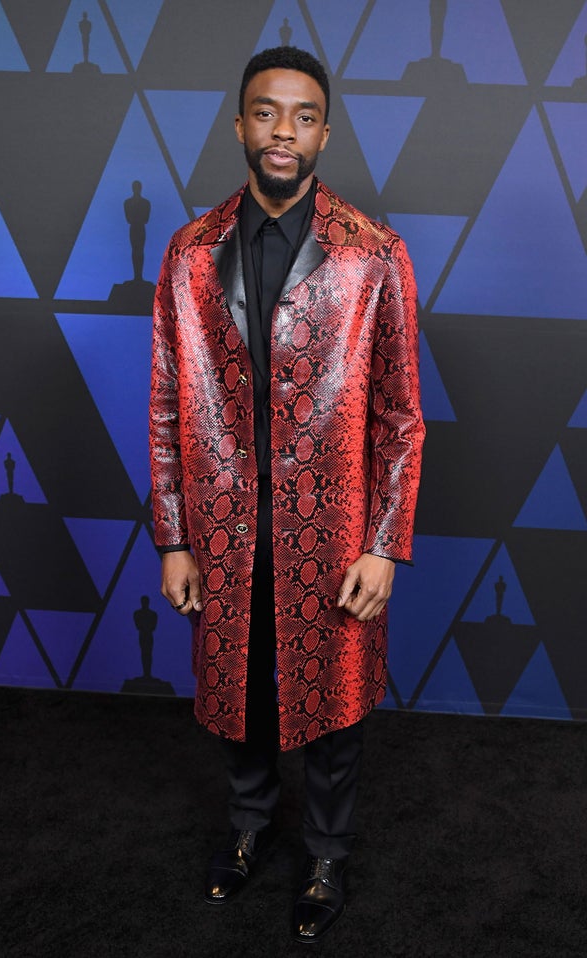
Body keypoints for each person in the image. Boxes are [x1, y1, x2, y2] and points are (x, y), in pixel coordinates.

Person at [149, 46, 424, 944]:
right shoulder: (189, 253)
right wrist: (174, 538)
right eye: (266, 113)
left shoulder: (374, 255)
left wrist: (384, 542)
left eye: (303, 117)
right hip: (225, 527)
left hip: (336, 527)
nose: (283, 133)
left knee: (337, 705)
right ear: (239, 125)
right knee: (241, 690)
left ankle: (328, 852)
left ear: (324, 133)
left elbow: (400, 418)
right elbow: (165, 403)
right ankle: (247, 828)